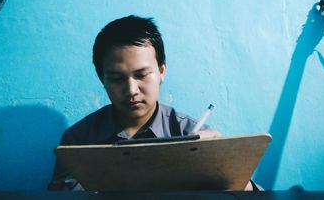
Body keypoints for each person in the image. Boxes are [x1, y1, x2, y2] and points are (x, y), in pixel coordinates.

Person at [47, 15, 258, 191]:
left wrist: (225, 172)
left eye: (141, 75)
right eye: (117, 78)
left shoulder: (191, 134)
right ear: (102, 79)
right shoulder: (78, 142)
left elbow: (256, 193)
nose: (131, 90)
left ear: (161, 71)